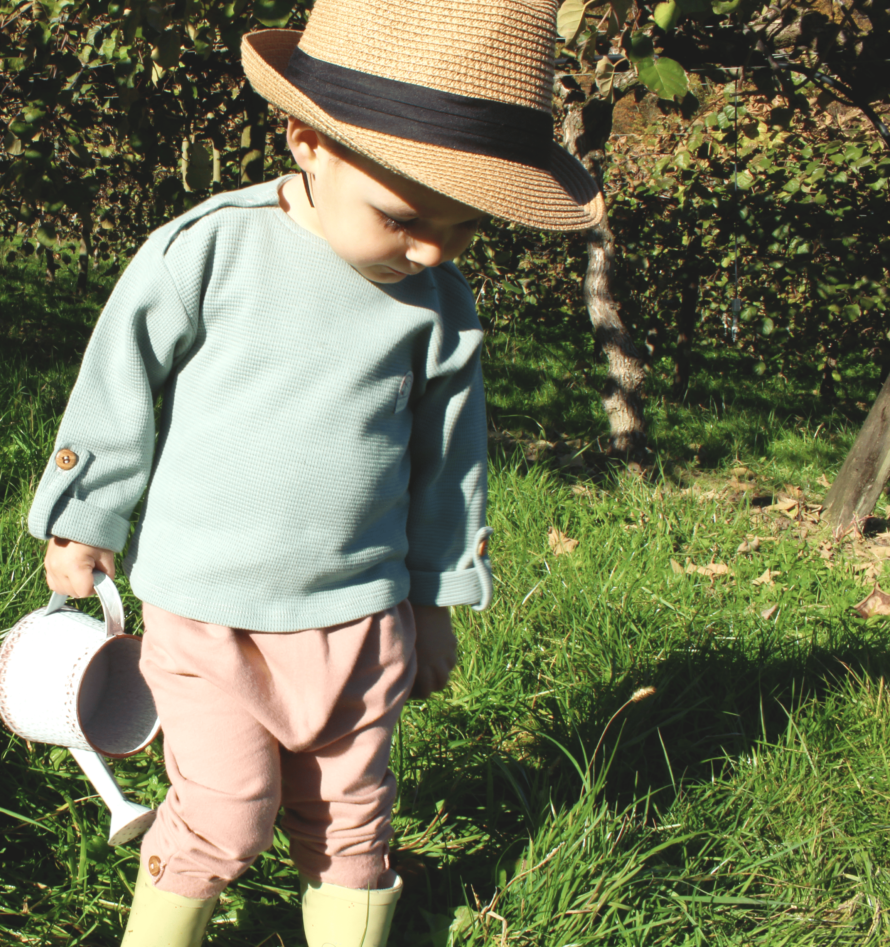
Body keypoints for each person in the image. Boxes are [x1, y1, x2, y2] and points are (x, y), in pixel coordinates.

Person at [30, 0, 603, 944]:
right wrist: (86, 513)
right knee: (228, 812)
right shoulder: (213, 249)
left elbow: (446, 465)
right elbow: (119, 376)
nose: (433, 250)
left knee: (352, 825)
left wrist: (433, 603)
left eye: (465, 230)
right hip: (207, 614)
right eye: (406, 218)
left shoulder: (439, 307)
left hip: (362, 620)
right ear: (307, 140)